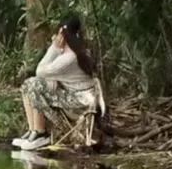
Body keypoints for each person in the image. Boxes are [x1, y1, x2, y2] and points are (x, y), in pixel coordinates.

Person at [13, 16, 104, 154]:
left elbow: (40, 71)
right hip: (81, 98)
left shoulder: (69, 58)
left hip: (79, 104)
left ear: (62, 33)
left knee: (33, 84)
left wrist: (54, 48)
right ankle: (32, 130)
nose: (54, 37)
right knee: (28, 84)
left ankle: (40, 133)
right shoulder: (78, 51)